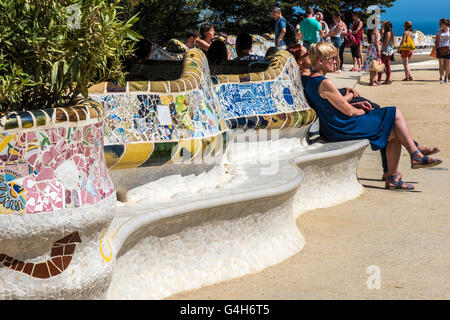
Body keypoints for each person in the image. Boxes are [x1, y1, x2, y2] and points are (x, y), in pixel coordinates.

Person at [302, 42, 442, 190]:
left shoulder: (311, 80)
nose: (336, 61)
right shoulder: (324, 83)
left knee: (394, 131)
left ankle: (393, 177)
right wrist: (361, 110)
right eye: (332, 59)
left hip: (333, 125)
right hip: (342, 126)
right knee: (394, 112)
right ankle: (416, 154)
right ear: (320, 61)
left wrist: (355, 104)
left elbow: (330, 105)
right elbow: (349, 112)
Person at [436, 18, 450, 84]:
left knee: (447, 65)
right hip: (440, 49)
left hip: (448, 49)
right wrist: (436, 48)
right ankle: (442, 76)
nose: (440, 25)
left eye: (441, 24)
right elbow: (437, 41)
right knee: (441, 64)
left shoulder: (449, 30)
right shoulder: (439, 31)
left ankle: (447, 76)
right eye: (440, 24)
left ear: (445, 24)